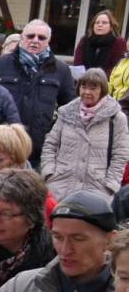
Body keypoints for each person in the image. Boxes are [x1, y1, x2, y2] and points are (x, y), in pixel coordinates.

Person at [0, 19, 76, 165]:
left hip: (40, 150)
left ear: (48, 41)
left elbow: (71, 109)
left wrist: (54, 134)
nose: (35, 41)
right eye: (30, 36)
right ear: (22, 38)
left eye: (41, 38)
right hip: (2, 145)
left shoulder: (61, 70)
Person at [41, 67, 129, 202]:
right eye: (83, 87)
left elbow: (120, 154)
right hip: (60, 187)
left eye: (93, 88)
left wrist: (111, 185)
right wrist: (48, 172)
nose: (87, 92)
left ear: (103, 90)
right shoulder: (66, 113)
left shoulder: (116, 118)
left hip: (97, 190)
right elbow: (50, 144)